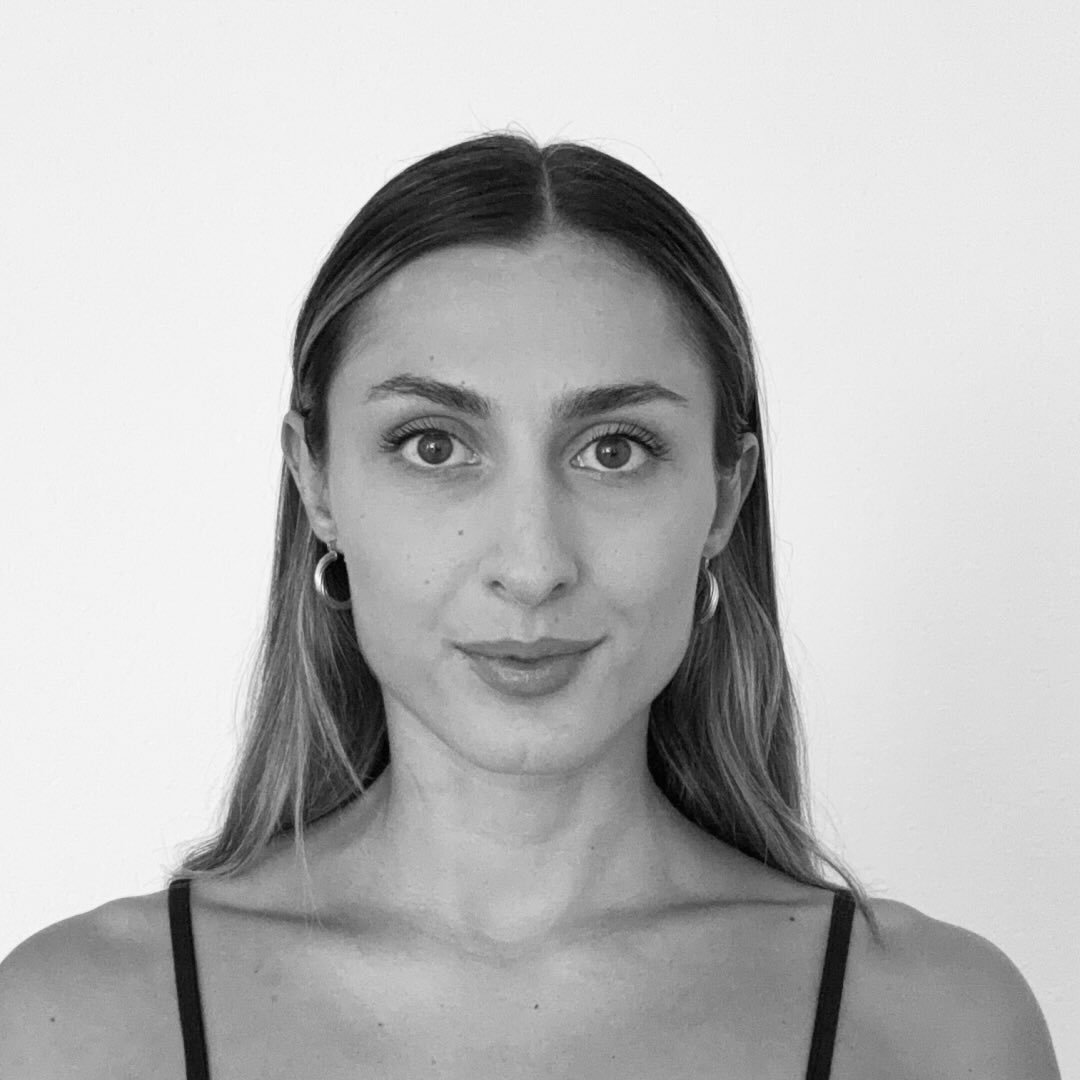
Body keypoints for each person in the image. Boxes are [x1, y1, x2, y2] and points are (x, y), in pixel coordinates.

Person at [0, 130, 1060, 1080]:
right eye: (434, 446)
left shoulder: (936, 1032)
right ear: (316, 484)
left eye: (614, 450)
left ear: (725, 496)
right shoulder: (74, 1029)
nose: (533, 564)